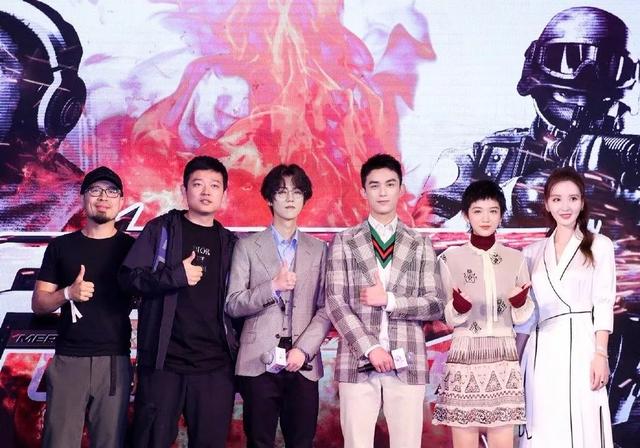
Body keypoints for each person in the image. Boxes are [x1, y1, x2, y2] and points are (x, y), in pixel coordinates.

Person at [119, 156, 238, 447]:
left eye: (214, 185)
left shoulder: (231, 243)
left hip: (215, 367)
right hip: (164, 364)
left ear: (224, 193)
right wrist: (174, 276)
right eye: (198, 184)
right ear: (184, 190)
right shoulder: (160, 230)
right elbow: (128, 279)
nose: (206, 191)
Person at [326, 153, 443, 448]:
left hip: (407, 359)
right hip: (357, 359)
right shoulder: (344, 240)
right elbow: (335, 302)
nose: (382, 192)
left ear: (400, 189)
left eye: (390, 184)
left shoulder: (420, 243)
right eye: (374, 185)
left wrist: (390, 300)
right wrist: (371, 348)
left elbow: (434, 304)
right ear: (363, 190)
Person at [226, 164, 331, 447]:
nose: (290, 198)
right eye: (282, 192)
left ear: (305, 198)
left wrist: (303, 350)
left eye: (297, 192)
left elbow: (326, 309)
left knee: (301, 441)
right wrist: (272, 287)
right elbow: (233, 304)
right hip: (258, 361)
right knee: (259, 441)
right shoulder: (247, 246)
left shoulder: (319, 249)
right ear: (269, 198)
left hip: (303, 363)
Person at [32, 166, 134, 447]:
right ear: (82, 198)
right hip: (68, 359)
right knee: (59, 441)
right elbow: (39, 303)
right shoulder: (61, 247)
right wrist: (67, 293)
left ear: (121, 201)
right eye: (95, 190)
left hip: (114, 360)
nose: (103, 197)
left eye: (111, 191)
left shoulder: (133, 249)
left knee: (110, 442)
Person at [517, 166, 615, 447]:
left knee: (583, 420)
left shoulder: (599, 245)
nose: (565, 206)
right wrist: (515, 362)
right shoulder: (532, 253)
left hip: (583, 346)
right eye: (557, 199)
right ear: (547, 204)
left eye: (573, 198)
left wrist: (600, 353)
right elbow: (527, 316)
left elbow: (603, 302)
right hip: (541, 351)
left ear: (582, 203)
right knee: (543, 425)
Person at [432, 180, 534, 448]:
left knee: (502, 438)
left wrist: (519, 303)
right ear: (466, 215)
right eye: (478, 211)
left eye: (493, 211)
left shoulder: (516, 259)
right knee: (464, 438)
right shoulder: (450, 258)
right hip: (465, 353)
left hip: (503, 354)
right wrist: (458, 308)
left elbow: (523, 317)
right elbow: (446, 315)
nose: (485, 218)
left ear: (502, 215)